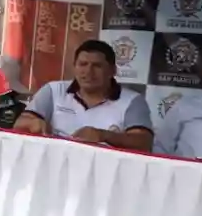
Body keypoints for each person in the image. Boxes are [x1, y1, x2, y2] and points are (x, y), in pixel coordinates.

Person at [13, 39, 153, 150]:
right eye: (83, 64)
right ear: (74, 67)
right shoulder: (53, 90)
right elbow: (19, 124)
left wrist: (103, 135)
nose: (88, 72)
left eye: (97, 66)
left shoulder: (132, 101)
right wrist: (33, 123)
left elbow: (144, 142)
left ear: (112, 70)